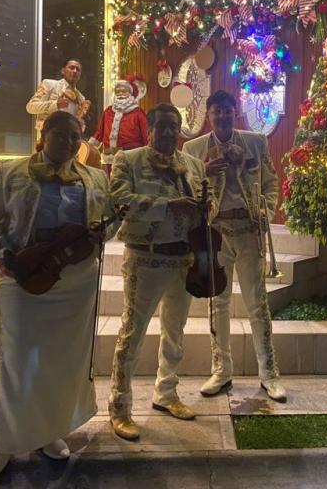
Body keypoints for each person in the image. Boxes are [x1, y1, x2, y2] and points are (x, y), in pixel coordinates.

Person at [0, 111, 116, 477]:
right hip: (24, 275)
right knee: (15, 363)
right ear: (44, 133)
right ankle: (2, 440)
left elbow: (110, 221)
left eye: (76, 137)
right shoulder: (12, 171)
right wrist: (4, 254)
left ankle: (47, 432)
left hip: (74, 282)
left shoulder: (95, 177)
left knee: (59, 362)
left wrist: (101, 234)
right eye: (62, 135)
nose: (69, 143)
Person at [108, 103, 216, 441]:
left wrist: (205, 208)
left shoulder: (193, 164)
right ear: (150, 129)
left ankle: (166, 393)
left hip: (183, 260)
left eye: (174, 126)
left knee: (175, 331)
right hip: (145, 259)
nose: (169, 132)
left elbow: (204, 205)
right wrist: (167, 206)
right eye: (162, 126)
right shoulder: (129, 160)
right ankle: (120, 407)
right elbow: (120, 201)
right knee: (132, 332)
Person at [182, 90, 286, 402]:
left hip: (248, 229)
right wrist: (203, 170)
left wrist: (266, 209)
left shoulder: (255, 141)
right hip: (214, 233)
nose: (222, 117)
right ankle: (221, 371)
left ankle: (269, 374)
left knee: (257, 304)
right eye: (217, 112)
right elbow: (186, 187)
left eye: (227, 111)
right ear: (209, 116)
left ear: (234, 112)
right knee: (219, 303)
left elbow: (271, 181)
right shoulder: (193, 148)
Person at [88, 76, 148, 171]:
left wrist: (148, 157)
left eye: (124, 91)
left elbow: (146, 136)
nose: (120, 94)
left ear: (131, 93)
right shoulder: (108, 111)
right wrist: (89, 147)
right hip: (109, 158)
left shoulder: (138, 113)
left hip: (131, 158)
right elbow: (99, 133)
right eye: (117, 91)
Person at [26, 58, 91, 134]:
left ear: (80, 75)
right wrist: (55, 104)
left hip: (68, 139)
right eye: (71, 67)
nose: (75, 71)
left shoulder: (81, 98)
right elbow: (30, 107)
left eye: (78, 69)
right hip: (47, 138)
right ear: (63, 71)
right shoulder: (49, 84)